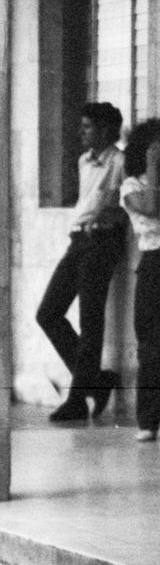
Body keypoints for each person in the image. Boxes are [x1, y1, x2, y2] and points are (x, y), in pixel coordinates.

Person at [36, 102, 128, 422]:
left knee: (90, 321)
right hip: (77, 240)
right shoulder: (83, 161)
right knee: (48, 313)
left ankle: (78, 399)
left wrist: (106, 216)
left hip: (102, 242)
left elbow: (123, 204)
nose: (81, 132)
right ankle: (97, 381)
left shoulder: (120, 161)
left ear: (105, 130)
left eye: (87, 127)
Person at [118, 119, 160, 442]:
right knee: (150, 344)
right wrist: (152, 166)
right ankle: (148, 419)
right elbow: (151, 207)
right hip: (153, 264)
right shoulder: (131, 186)